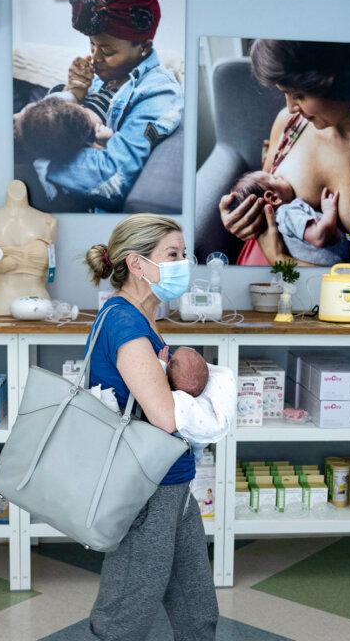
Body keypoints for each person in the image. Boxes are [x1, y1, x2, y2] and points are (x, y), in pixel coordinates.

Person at [83, 214, 219, 640]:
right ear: (137, 264)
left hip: (171, 482)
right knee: (127, 610)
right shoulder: (125, 324)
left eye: (185, 254)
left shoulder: (143, 319)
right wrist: (208, 402)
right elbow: (163, 416)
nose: (184, 265)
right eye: (173, 255)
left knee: (197, 608)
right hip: (147, 485)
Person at [21, 0, 183, 212]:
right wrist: (73, 90)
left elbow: (114, 177)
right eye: (92, 45)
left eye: (107, 51)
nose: (95, 58)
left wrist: (42, 161)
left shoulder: (158, 93)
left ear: (144, 47)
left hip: (69, 199)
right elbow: (47, 121)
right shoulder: (101, 74)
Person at [217, 39, 350, 266]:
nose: (291, 107)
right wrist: (241, 217)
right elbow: (261, 191)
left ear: (335, 82)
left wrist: (280, 260)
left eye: (299, 95)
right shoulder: (290, 123)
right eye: (285, 94)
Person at [229, 170, 350, 266]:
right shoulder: (287, 213)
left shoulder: (280, 223)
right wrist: (330, 211)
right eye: (275, 178)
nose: (280, 176)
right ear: (273, 198)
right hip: (344, 262)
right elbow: (320, 236)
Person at [14, 96, 113, 163]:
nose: (16, 115)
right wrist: (101, 143)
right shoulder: (97, 140)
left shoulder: (63, 145)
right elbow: (97, 158)